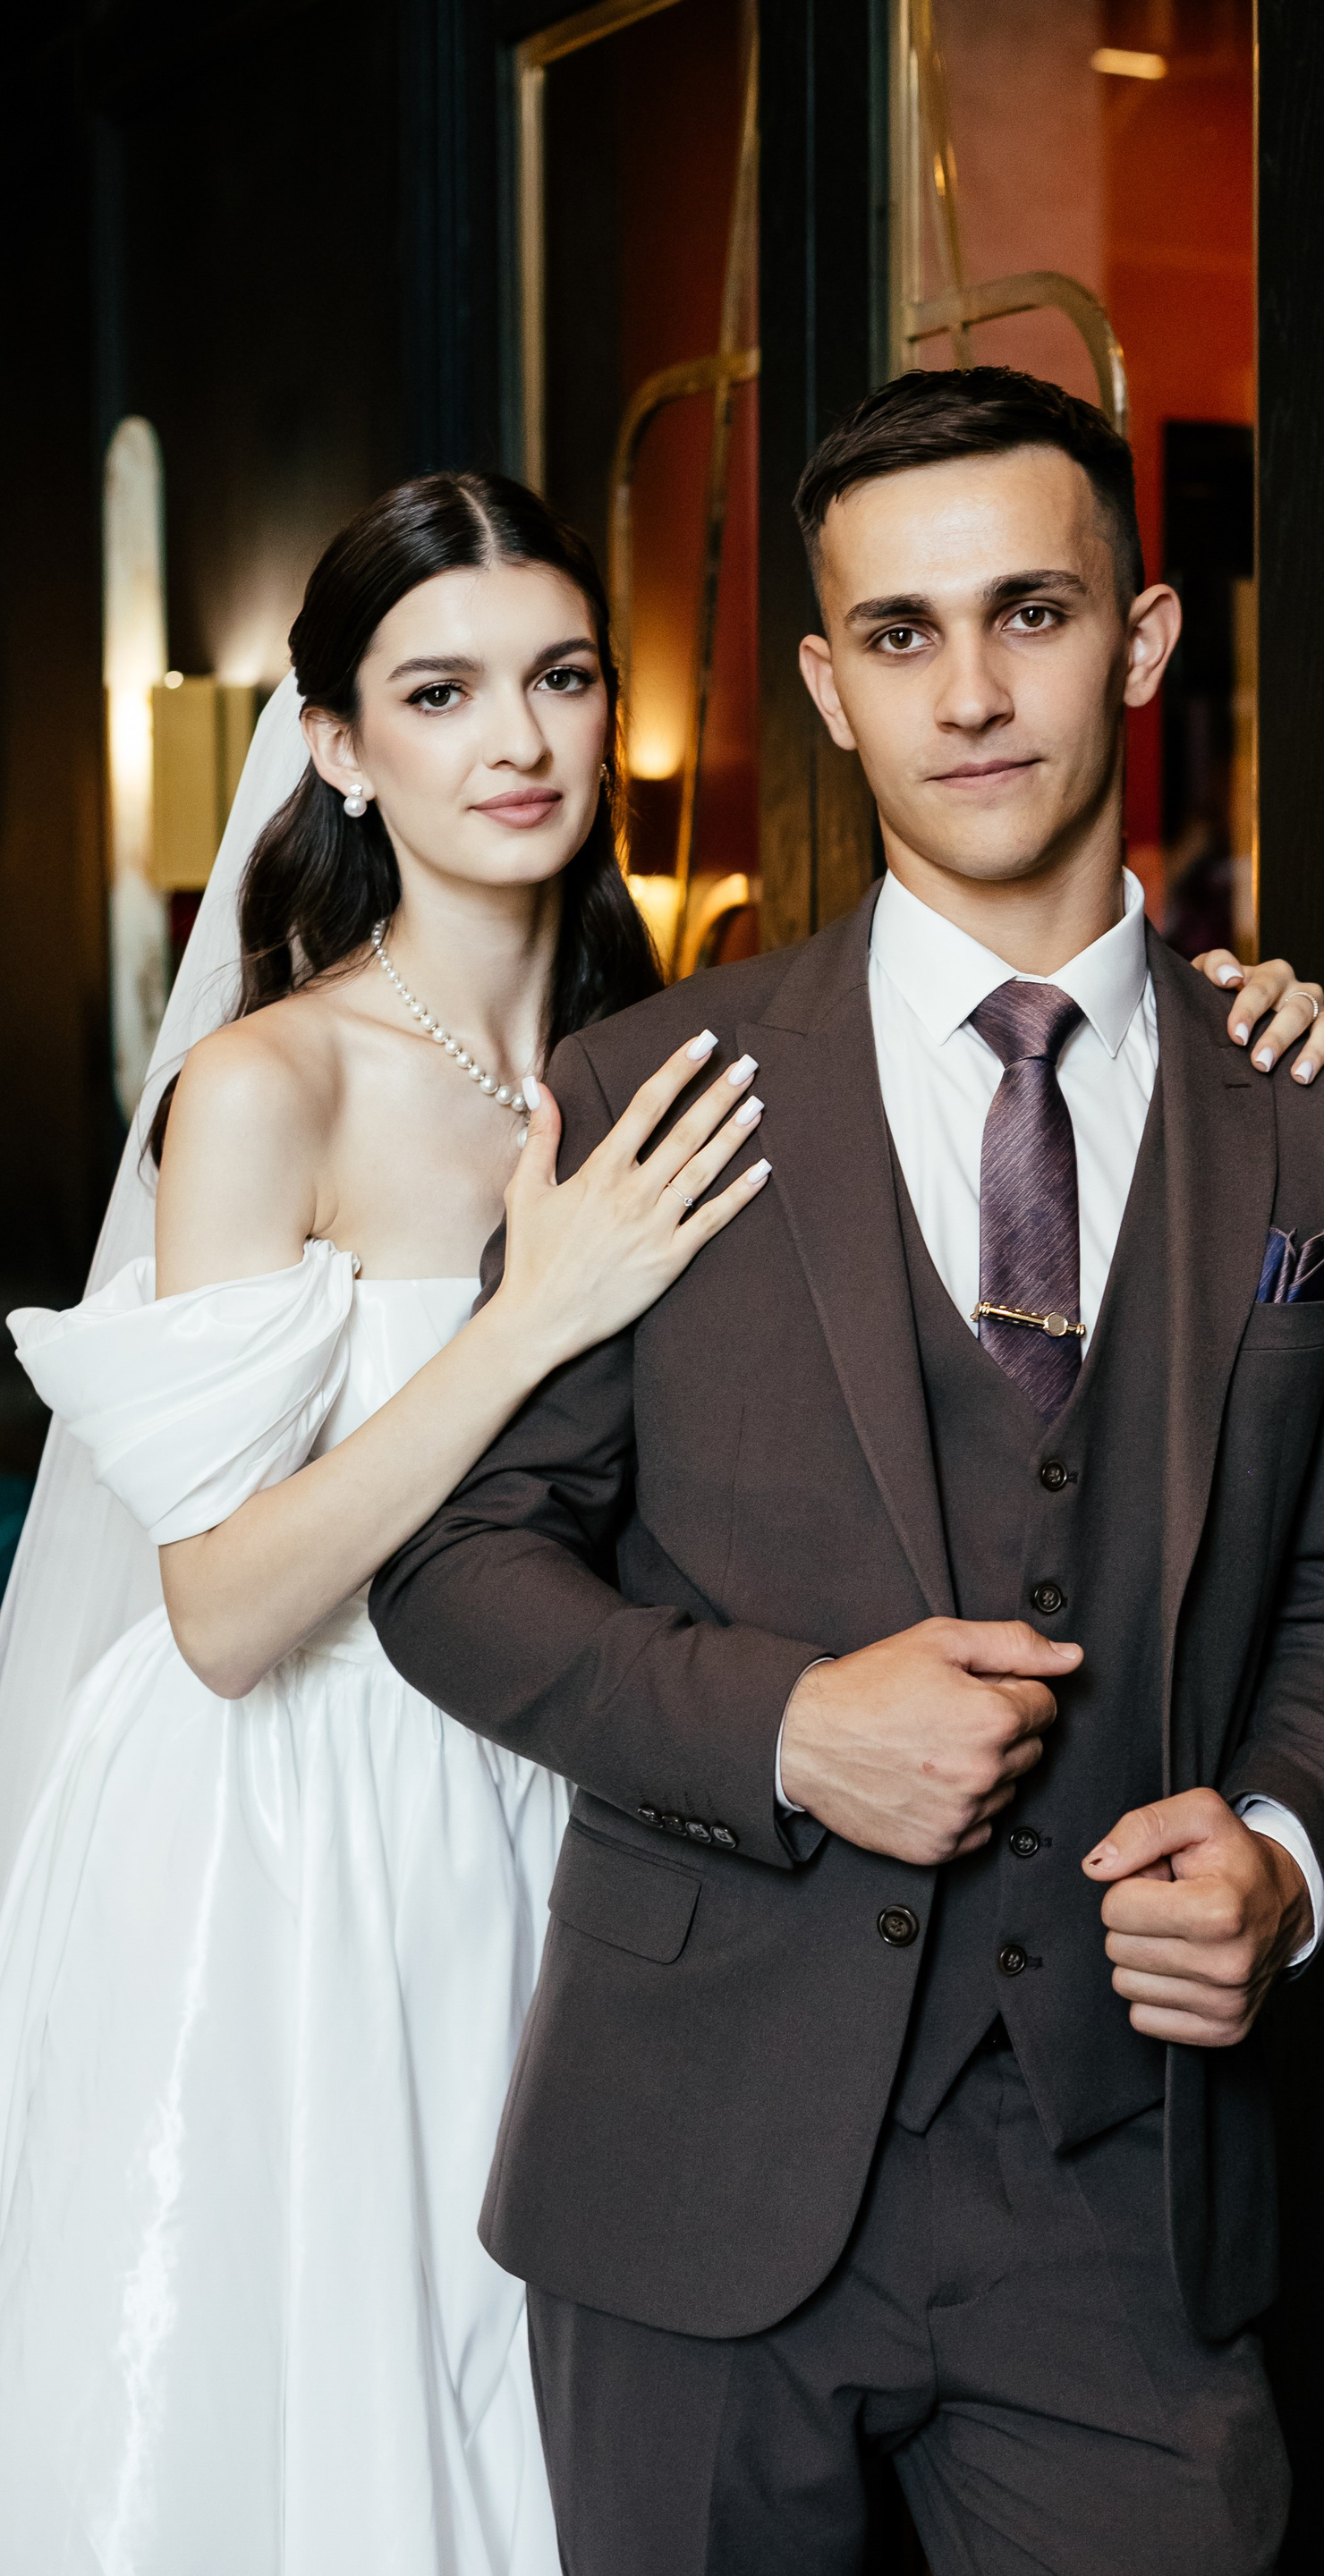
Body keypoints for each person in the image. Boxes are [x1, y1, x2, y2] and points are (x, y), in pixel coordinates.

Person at [371, 367, 1324, 2576]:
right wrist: (785, 1727)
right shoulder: (650, 1086)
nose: (971, 695)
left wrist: (1280, 1851)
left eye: (1031, 613)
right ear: (831, 688)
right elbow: (452, 1563)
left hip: (1120, 2180)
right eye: (902, 635)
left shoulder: (1319, 1121)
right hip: (691, 2155)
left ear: (1142, 641)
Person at [0, 472, 777, 2576]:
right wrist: (528, 1316)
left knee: (554, 2436)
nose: (516, 740)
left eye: (561, 677)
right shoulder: (276, 1086)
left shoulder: (666, 1054)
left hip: (574, 1798)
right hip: (298, 1840)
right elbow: (223, 1610)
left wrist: (1246, 1011)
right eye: (440, 693)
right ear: (339, 745)